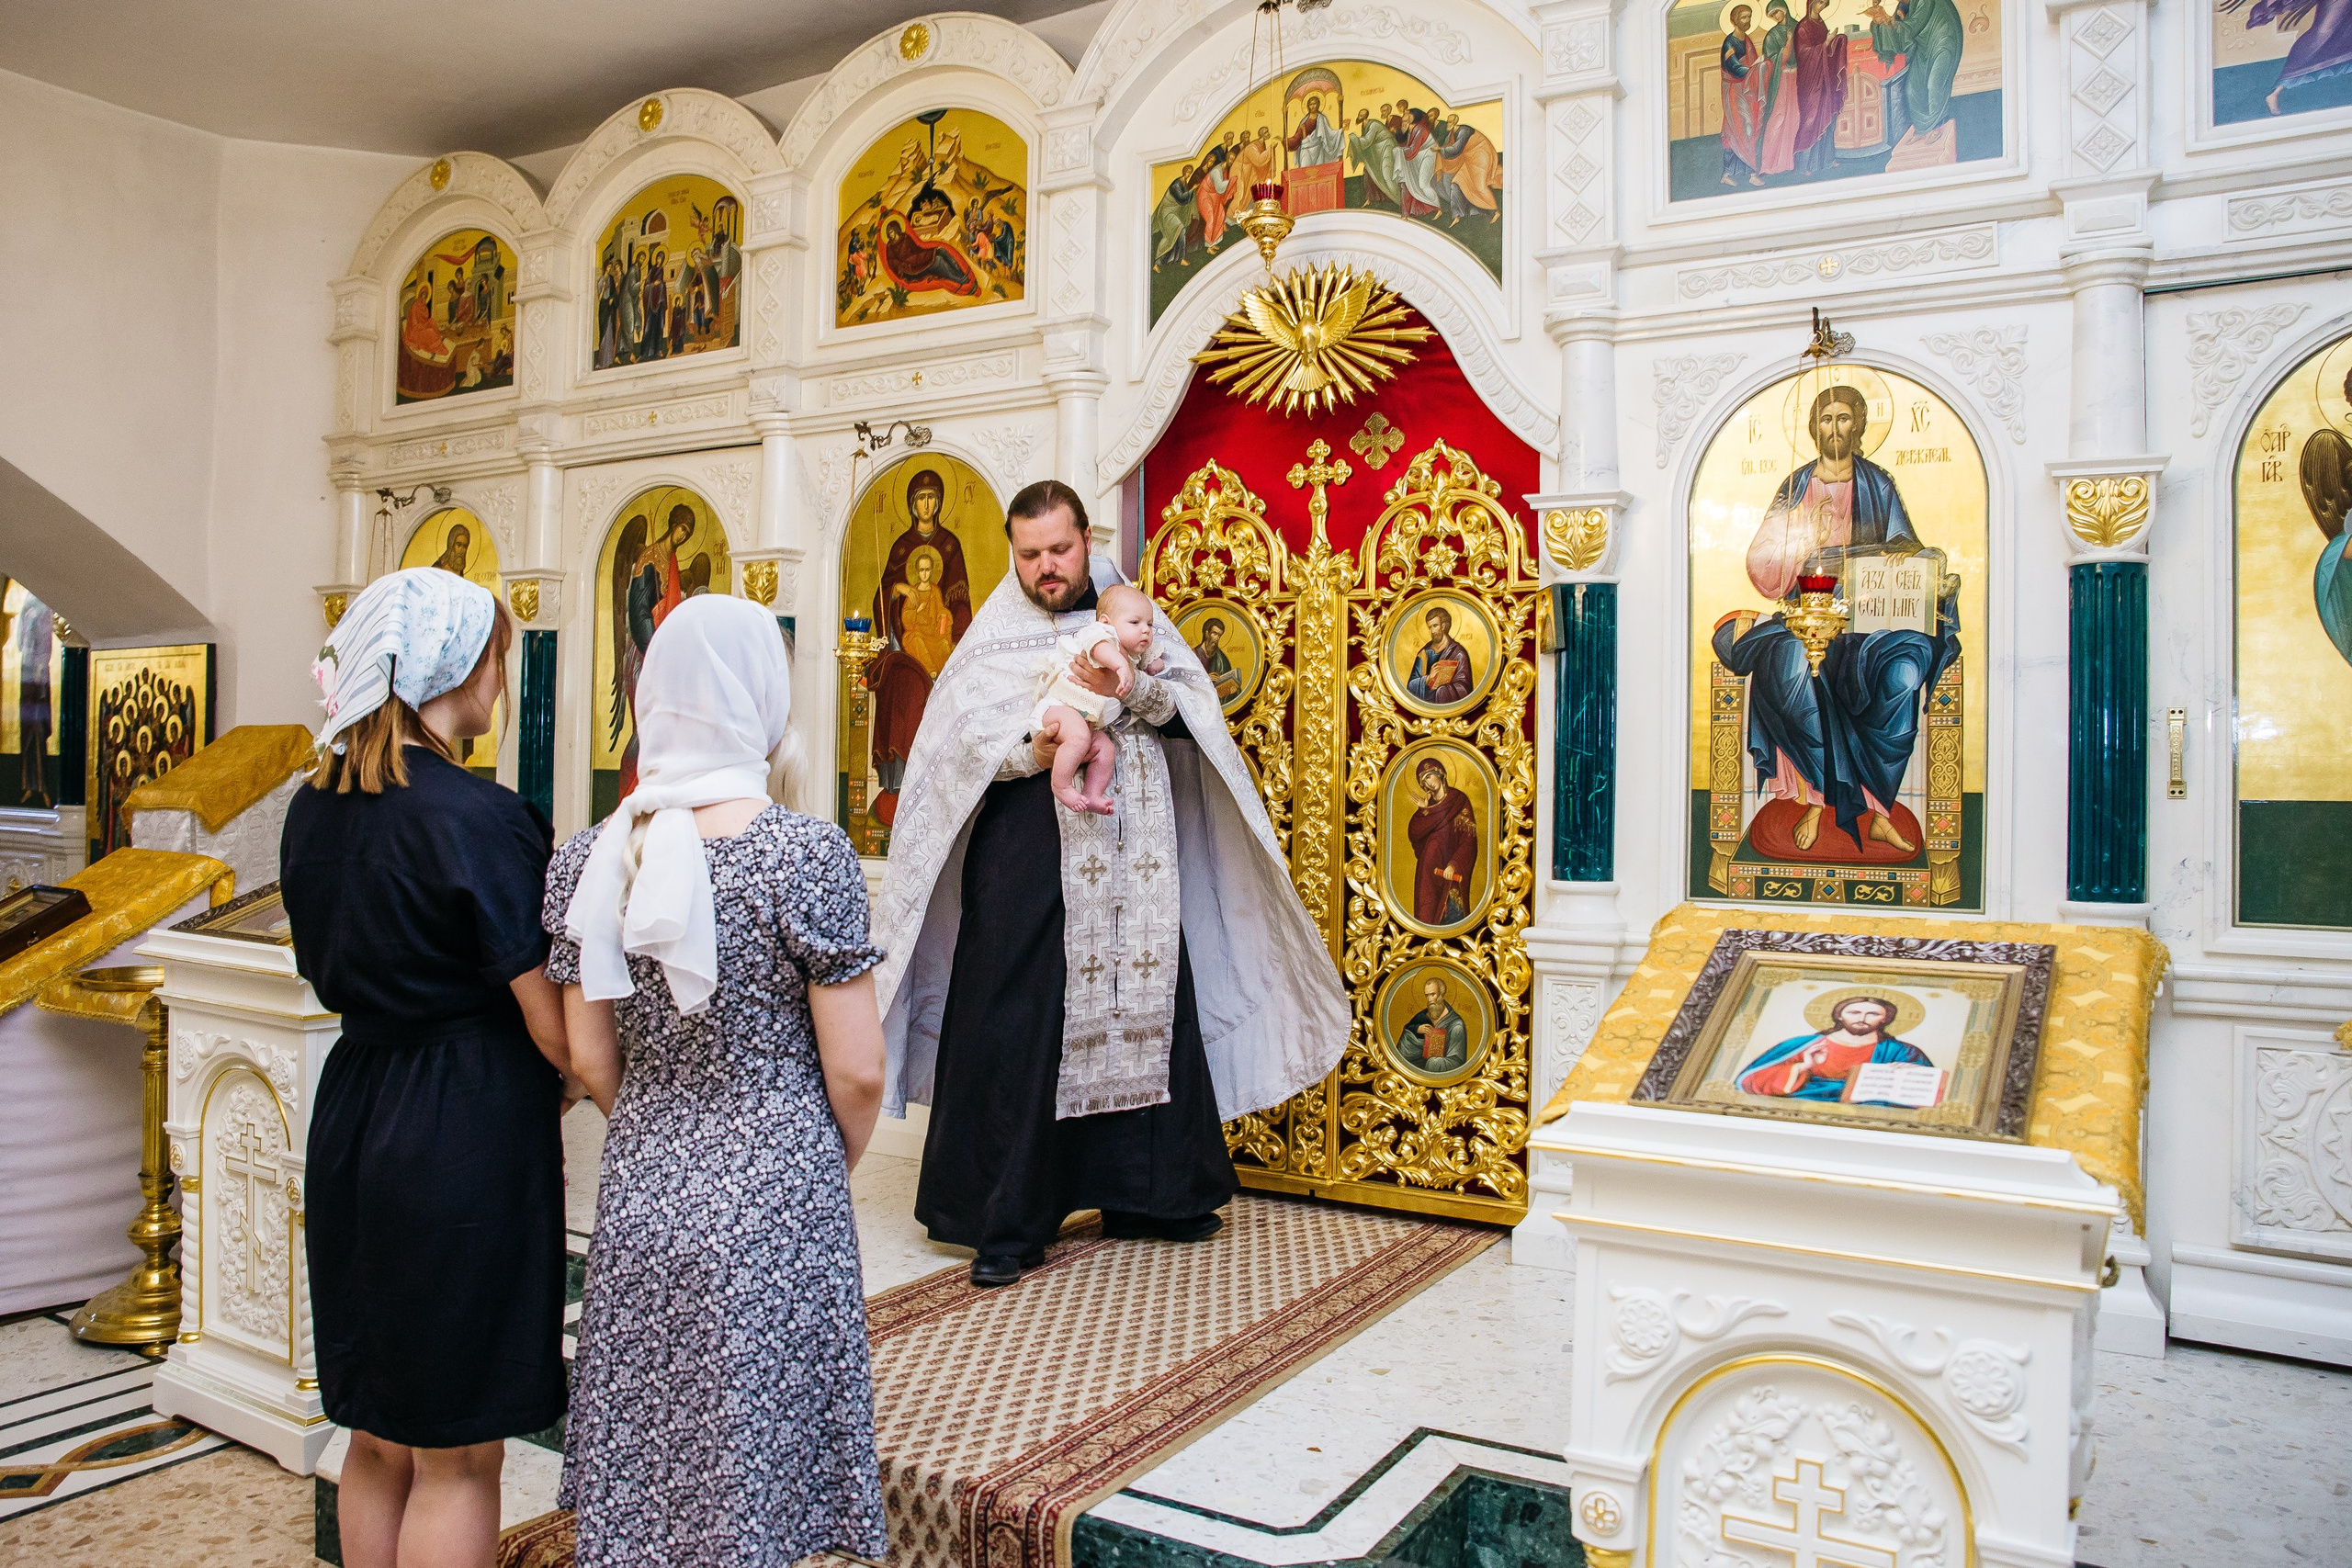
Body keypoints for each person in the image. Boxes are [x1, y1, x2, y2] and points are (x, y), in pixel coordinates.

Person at [873, 481, 1348, 1287]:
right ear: (1012, 551)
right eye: (1030, 555)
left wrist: (1135, 692)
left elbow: (1190, 711)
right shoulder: (993, 636)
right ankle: (1003, 1216)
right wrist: (1044, 736)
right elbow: (960, 745)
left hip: (1136, 843)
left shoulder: (1133, 614)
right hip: (1025, 848)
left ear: (1084, 540)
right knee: (1013, 1006)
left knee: (1146, 992)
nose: (1047, 567)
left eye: (1060, 550)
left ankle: (1151, 1192)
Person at [548, 595, 888, 1568]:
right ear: (760, 699)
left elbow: (587, 1057)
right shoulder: (800, 852)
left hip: (645, 1178)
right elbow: (857, 1070)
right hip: (779, 1183)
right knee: (759, 1467)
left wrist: (662, 1121)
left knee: (655, 1461)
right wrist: (818, 1152)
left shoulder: (593, 852)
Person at [281, 567, 575, 1568]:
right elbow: (547, 1019)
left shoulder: (312, 808)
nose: (502, 681)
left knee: (375, 1431)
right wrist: (595, 1075)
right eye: (499, 657)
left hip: (357, 1107)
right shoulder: (476, 816)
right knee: (458, 1449)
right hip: (461, 1125)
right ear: (460, 664)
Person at [1713, 385, 1959, 857]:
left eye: (1845, 418)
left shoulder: (1878, 484)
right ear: (1813, 428)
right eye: (1826, 419)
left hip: (1871, 621)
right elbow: (1763, 566)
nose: (1835, 428)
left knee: (1904, 673)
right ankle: (1819, 798)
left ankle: (1879, 811)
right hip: (1807, 616)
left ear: (1860, 425)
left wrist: (1922, 560)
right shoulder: (1795, 488)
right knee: (1789, 669)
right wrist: (1803, 541)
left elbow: (1906, 546)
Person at [1033, 583, 1165, 817]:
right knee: (1079, 737)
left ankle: (1093, 793)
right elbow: (1100, 650)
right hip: (1060, 707)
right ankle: (1061, 785)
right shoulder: (1100, 635)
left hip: (1088, 717)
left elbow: (1145, 661)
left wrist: (1151, 663)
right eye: (1135, 623)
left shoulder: (1131, 652)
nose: (1145, 630)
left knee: (1105, 749)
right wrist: (1120, 666)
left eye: (1150, 624)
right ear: (1106, 622)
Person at [1736, 995, 1936, 1102]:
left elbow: (1928, 1091)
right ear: (1840, 1016)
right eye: (1854, 1012)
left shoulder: (1902, 1051)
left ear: (1885, 1019)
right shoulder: (1802, 1045)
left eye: (1873, 1014)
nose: (1862, 1019)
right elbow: (1749, 1081)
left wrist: (1914, 1074)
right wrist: (1803, 1067)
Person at [1406, 756, 1476, 926]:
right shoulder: (1427, 806)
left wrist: (1454, 864)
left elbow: (1469, 840)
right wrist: (1424, 811)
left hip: (1450, 874)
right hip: (1429, 873)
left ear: (1439, 773)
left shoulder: (1459, 800)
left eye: (1429, 776)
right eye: (1423, 782)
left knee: (1450, 917)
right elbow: (1414, 834)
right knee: (1427, 913)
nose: (1428, 783)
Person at [1721, 6, 1774, 186]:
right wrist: (1754, 68)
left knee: (1749, 130)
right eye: (1743, 17)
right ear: (1735, 20)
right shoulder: (1729, 43)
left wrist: (1760, 65)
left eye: (1749, 16)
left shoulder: (1747, 40)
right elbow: (1733, 67)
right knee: (1739, 129)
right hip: (1735, 91)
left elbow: (1753, 63)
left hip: (1747, 90)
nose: (1747, 20)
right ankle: (1728, 174)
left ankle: (1751, 172)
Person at [1396, 973, 1470, 1076]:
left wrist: (1434, 1062)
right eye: (1427, 995)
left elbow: (1457, 1061)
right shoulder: (1423, 1015)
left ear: (1441, 994)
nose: (1429, 999)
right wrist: (1417, 1029)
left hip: (1439, 1069)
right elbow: (1408, 1031)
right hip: (1414, 1068)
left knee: (1433, 1062)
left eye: (1433, 994)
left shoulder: (1456, 1025)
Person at [1405, 606, 1475, 705]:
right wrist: (1428, 678)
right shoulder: (1424, 653)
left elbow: (1464, 687)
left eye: (1435, 626)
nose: (1432, 631)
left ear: (1443, 626)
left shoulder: (1458, 653)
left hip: (1446, 703)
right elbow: (1411, 685)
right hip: (1425, 705)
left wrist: (1443, 689)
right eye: (1429, 627)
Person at [1192, 615, 1242, 704]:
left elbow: (1226, 686)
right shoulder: (1192, 655)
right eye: (1214, 634)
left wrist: (1232, 692)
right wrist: (1205, 679)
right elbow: (1183, 682)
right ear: (1207, 633)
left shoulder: (1222, 659)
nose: (1217, 638)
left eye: (1219, 635)